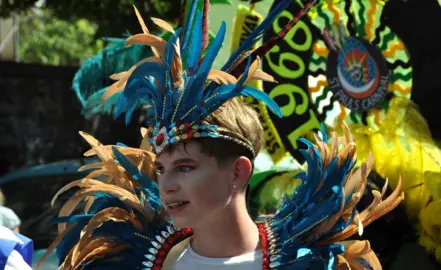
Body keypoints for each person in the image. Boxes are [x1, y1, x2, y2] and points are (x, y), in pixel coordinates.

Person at [41, 1, 404, 269]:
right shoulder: (141, 260)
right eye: (162, 169)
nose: (165, 185)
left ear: (238, 172)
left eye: (185, 167)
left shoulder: (308, 262)